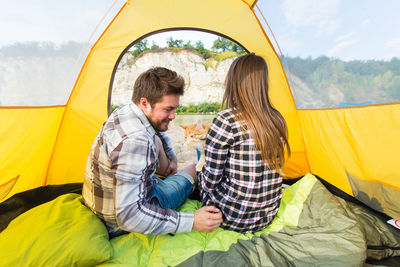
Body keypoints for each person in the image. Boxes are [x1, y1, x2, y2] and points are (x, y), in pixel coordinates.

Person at [82, 67, 222, 238]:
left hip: (104, 201)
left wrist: (171, 156)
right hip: (117, 220)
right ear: (144, 103)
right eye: (168, 109)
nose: (173, 116)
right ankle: (179, 185)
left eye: (175, 109)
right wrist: (192, 221)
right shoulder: (135, 141)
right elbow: (129, 217)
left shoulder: (125, 111)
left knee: (157, 141)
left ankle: (170, 178)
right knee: (193, 169)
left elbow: (159, 132)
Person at [197, 54, 291, 233]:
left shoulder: (226, 120)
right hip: (266, 216)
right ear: (264, 84)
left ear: (233, 83)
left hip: (231, 217)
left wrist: (199, 173)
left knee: (199, 172)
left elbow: (210, 182)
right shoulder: (277, 118)